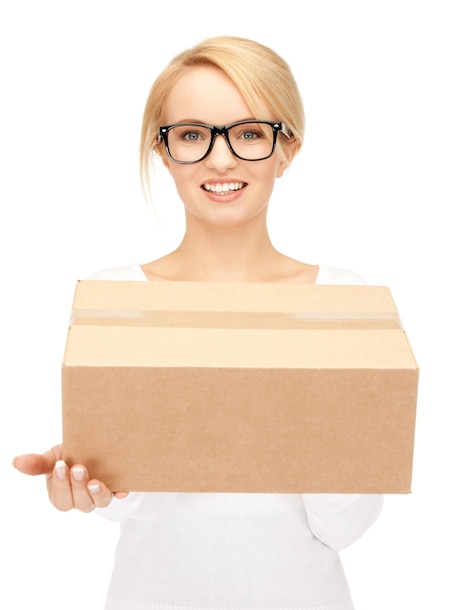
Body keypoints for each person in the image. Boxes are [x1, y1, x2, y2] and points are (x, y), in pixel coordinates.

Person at [13, 35, 383, 610]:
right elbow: (141, 507)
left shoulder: (342, 302)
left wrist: (313, 423)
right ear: (163, 152)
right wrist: (96, 481)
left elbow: (344, 526)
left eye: (249, 132)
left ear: (287, 150)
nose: (220, 158)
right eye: (191, 134)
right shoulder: (118, 297)